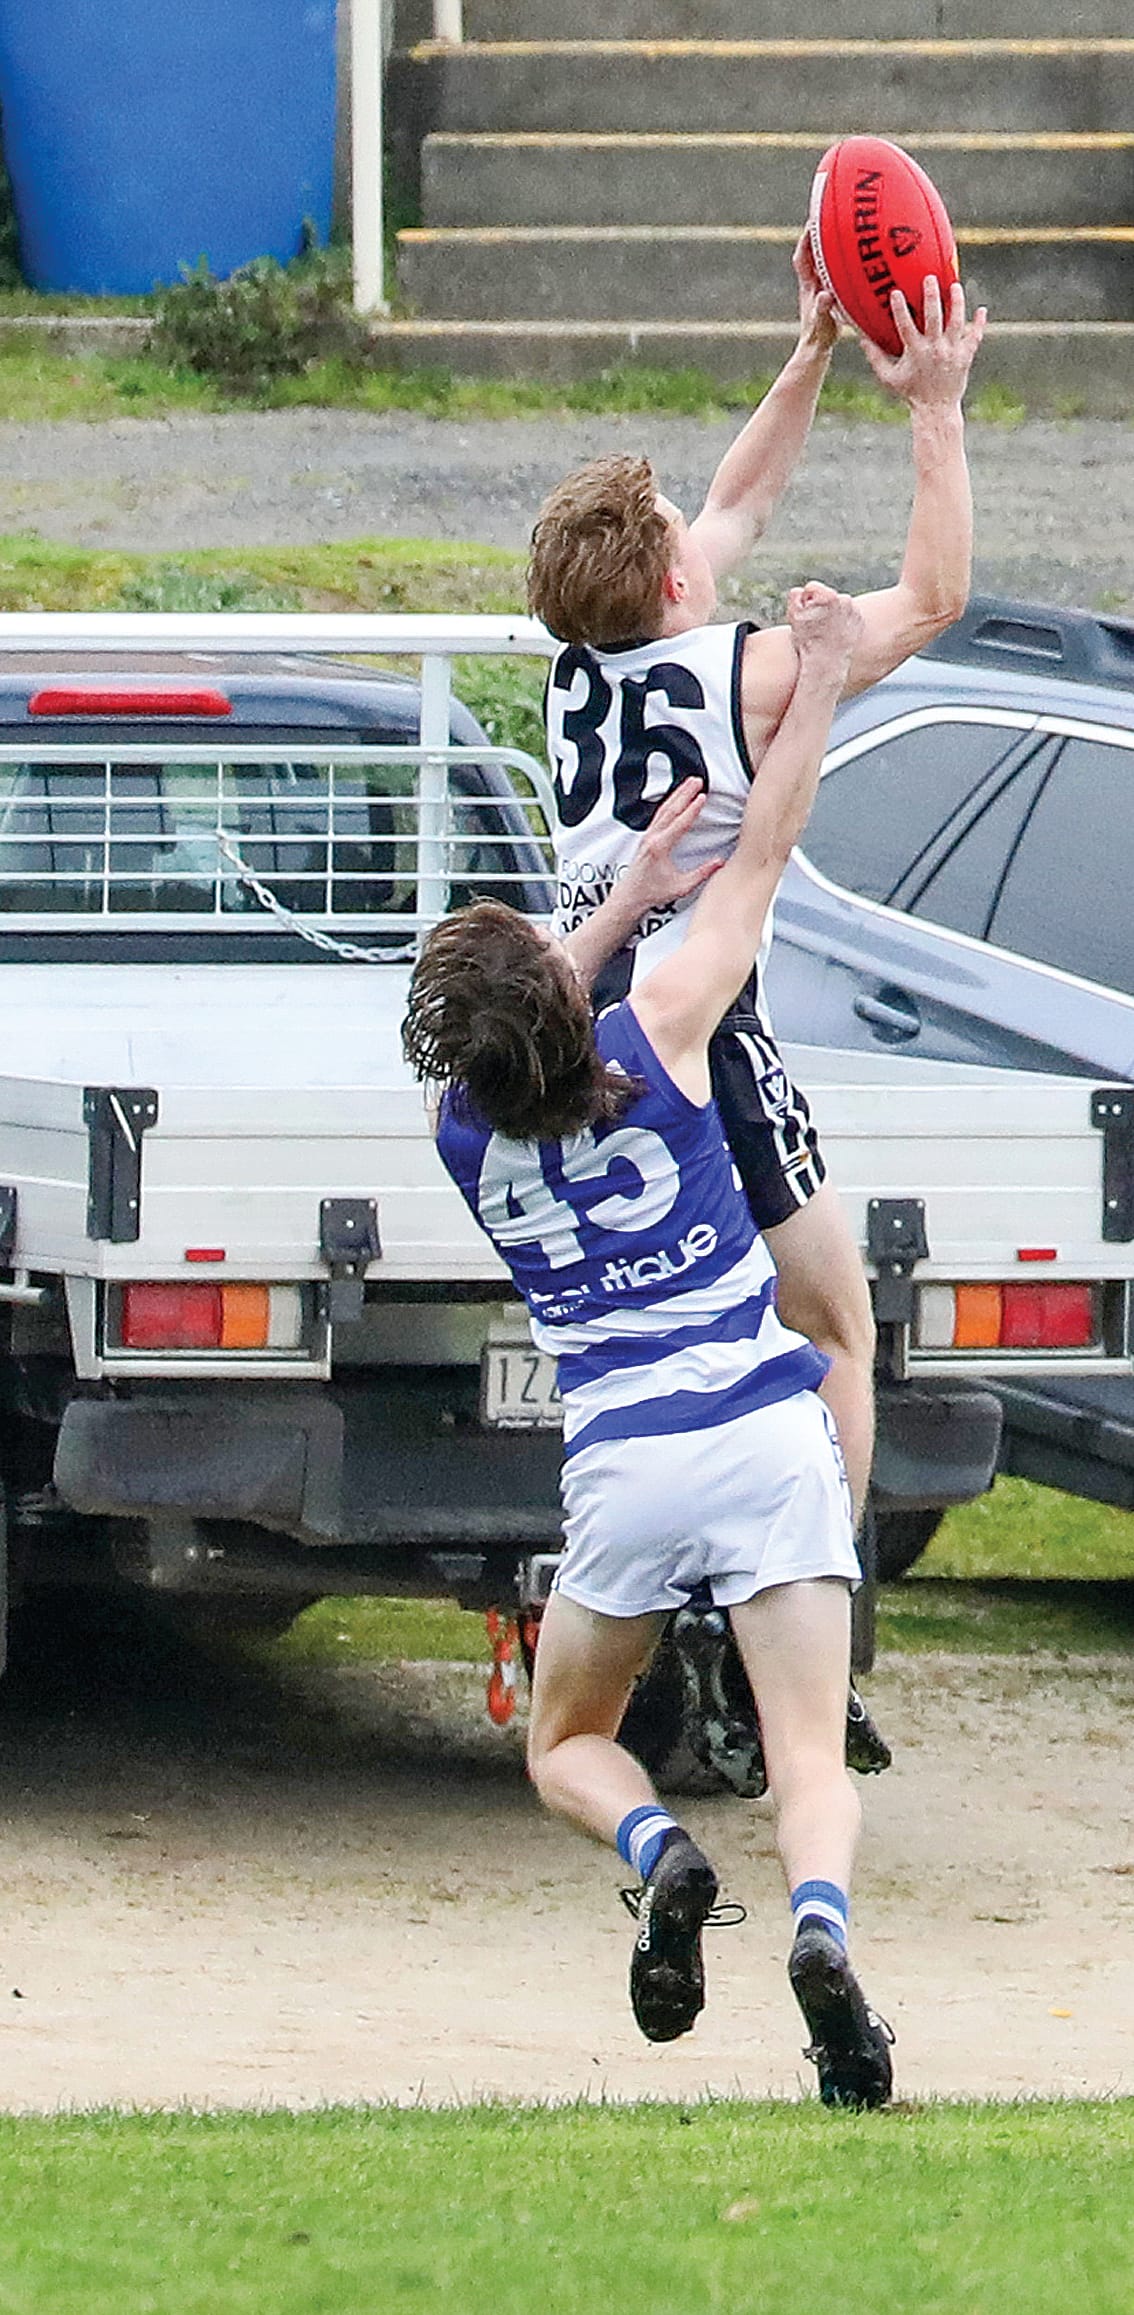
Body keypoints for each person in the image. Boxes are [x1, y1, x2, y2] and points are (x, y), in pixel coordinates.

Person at [403, 582, 895, 2110]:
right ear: (572, 996)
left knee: (566, 1746)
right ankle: (815, 1934)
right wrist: (807, 690)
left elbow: (533, 1022)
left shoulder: (462, 1137)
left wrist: (605, 906)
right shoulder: (667, 1030)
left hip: (623, 1464)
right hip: (761, 1430)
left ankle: (658, 1856)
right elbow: (761, 853)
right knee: (806, 1759)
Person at [528, 253, 986, 1544]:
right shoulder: (747, 676)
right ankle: (815, 1603)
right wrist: (933, 405)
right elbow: (936, 596)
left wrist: (815, 346)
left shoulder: (579, 664)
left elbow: (740, 498)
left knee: (667, 1342)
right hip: (694, 1031)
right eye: (681, 532)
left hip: (581, 1014)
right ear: (675, 585)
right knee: (831, 1320)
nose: (703, 523)